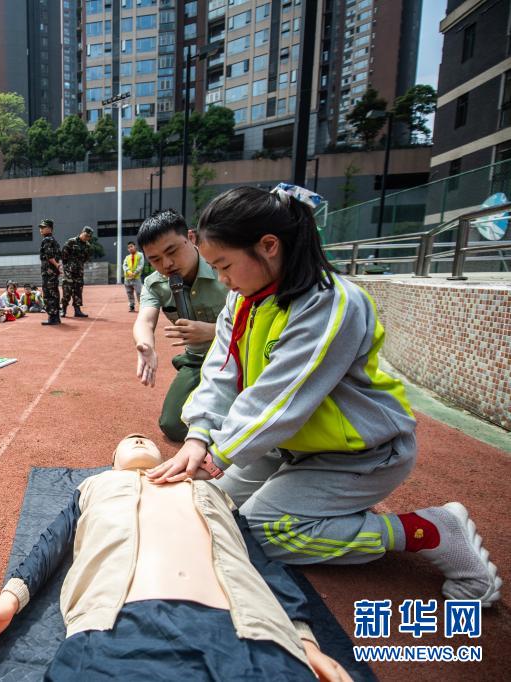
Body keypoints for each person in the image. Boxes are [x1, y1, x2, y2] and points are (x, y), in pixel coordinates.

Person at [146, 185, 501, 606]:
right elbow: (220, 372)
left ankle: (432, 530)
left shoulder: (330, 304)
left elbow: (281, 401)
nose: (221, 280)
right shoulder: (243, 301)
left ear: (269, 246)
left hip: (359, 454)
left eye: (224, 266)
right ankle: (332, 513)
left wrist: (215, 456)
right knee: (212, 507)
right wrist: (198, 435)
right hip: (285, 448)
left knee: (263, 534)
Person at [0, 434, 350, 680]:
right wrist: (9, 598)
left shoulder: (208, 489)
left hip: (248, 631)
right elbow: (51, 542)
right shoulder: (94, 486)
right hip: (114, 630)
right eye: (127, 441)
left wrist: (303, 638)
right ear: (112, 462)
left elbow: (261, 562)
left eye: (145, 440)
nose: (137, 438)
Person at [133, 210, 228, 442]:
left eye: (172, 251)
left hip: (236, 355)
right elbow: (145, 320)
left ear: (191, 238)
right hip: (197, 360)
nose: (166, 264)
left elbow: (258, 319)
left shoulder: (224, 266)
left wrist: (212, 331)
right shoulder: (155, 284)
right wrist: (146, 346)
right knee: (173, 425)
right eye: (155, 259)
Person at [61, 225, 94, 318]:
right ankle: (63, 310)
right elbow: (64, 255)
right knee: (67, 291)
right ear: (82, 232)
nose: (87, 238)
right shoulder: (71, 241)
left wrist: (78, 266)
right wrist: (67, 267)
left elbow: (86, 258)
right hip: (69, 271)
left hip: (79, 272)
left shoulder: (87, 246)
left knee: (78, 291)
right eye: (86, 235)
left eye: (89, 236)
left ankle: (77, 310)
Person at [37, 220, 63, 326]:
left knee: (48, 294)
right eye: (41, 227)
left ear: (50, 228)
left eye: (43, 227)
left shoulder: (47, 240)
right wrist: (57, 267)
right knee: (55, 293)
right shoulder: (54, 240)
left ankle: (52, 317)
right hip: (53, 272)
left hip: (48, 272)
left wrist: (57, 265)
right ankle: (56, 317)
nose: (41, 229)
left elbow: (49, 256)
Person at [123, 241, 145, 312]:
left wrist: (135, 273)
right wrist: (128, 271)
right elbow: (124, 265)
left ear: (135, 246)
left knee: (139, 292)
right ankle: (131, 306)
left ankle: (142, 307)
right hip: (127, 278)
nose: (130, 248)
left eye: (131, 246)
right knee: (129, 293)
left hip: (136, 278)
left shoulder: (140, 255)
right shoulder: (127, 257)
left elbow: (141, 265)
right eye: (129, 247)